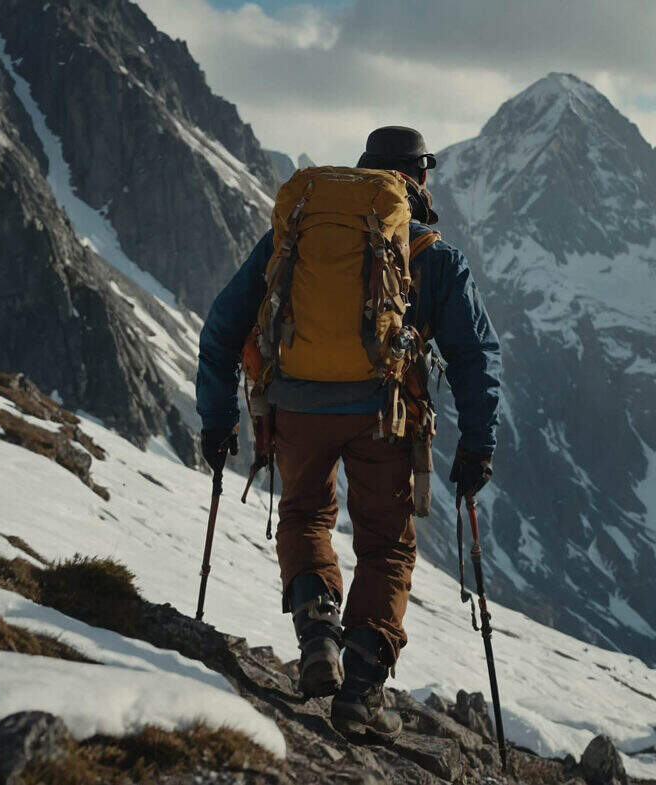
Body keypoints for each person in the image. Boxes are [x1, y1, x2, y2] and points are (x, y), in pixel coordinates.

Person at [195, 126, 501, 742]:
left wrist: (218, 418)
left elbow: (224, 324)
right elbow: (476, 357)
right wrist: (478, 443)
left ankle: (316, 632)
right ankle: (361, 687)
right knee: (387, 545)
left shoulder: (299, 234)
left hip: (297, 405)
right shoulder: (433, 256)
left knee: (306, 512)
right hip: (384, 412)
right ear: (418, 180)